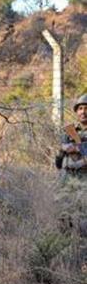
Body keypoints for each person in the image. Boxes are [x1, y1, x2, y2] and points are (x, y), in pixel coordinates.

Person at [54, 93, 87, 237]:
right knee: (63, 218)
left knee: (84, 221)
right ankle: (67, 254)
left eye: (86, 108)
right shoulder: (69, 132)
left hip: (84, 183)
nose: (83, 112)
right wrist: (62, 150)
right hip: (67, 181)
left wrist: (78, 150)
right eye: (80, 108)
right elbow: (58, 164)